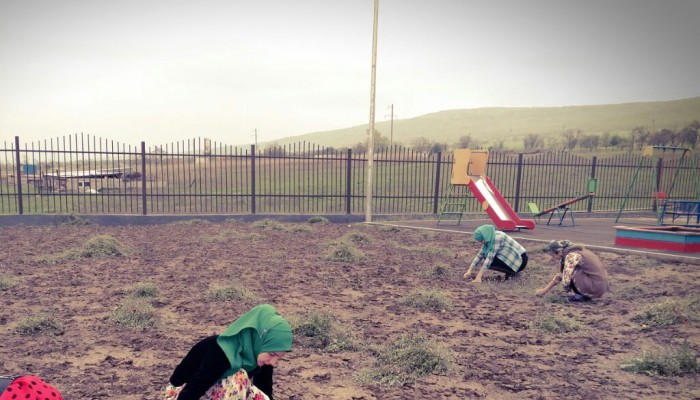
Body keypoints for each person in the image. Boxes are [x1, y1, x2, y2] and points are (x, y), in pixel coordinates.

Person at [165, 304, 293, 400]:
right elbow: (194, 389)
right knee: (238, 378)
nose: (274, 362)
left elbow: (264, 389)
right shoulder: (222, 352)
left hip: (217, 391)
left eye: (278, 357)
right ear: (259, 338)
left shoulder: (261, 354)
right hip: (183, 392)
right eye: (272, 354)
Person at [535, 240, 610, 302]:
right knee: (570, 270)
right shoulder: (578, 251)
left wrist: (566, 290)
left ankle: (581, 295)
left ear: (560, 251)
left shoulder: (571, 255)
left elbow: (565, 278)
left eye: (553, 255)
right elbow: (560, 275)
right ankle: (584, 294)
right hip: (599, 286)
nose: (552, 258)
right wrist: (545, 290)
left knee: (571, 271)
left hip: (595, 287)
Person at [463, 224, 529, 282]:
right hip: (514, 258)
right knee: (486, 256)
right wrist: (469, 271)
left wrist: (478, 277)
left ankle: (513, 272)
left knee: (489, 260)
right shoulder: (489, 238)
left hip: (521, 260)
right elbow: (480, 255)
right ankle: (511, 271)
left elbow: (489, 258)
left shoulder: (497, 238)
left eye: (481, 240)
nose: (481, 242)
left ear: (485, 236)